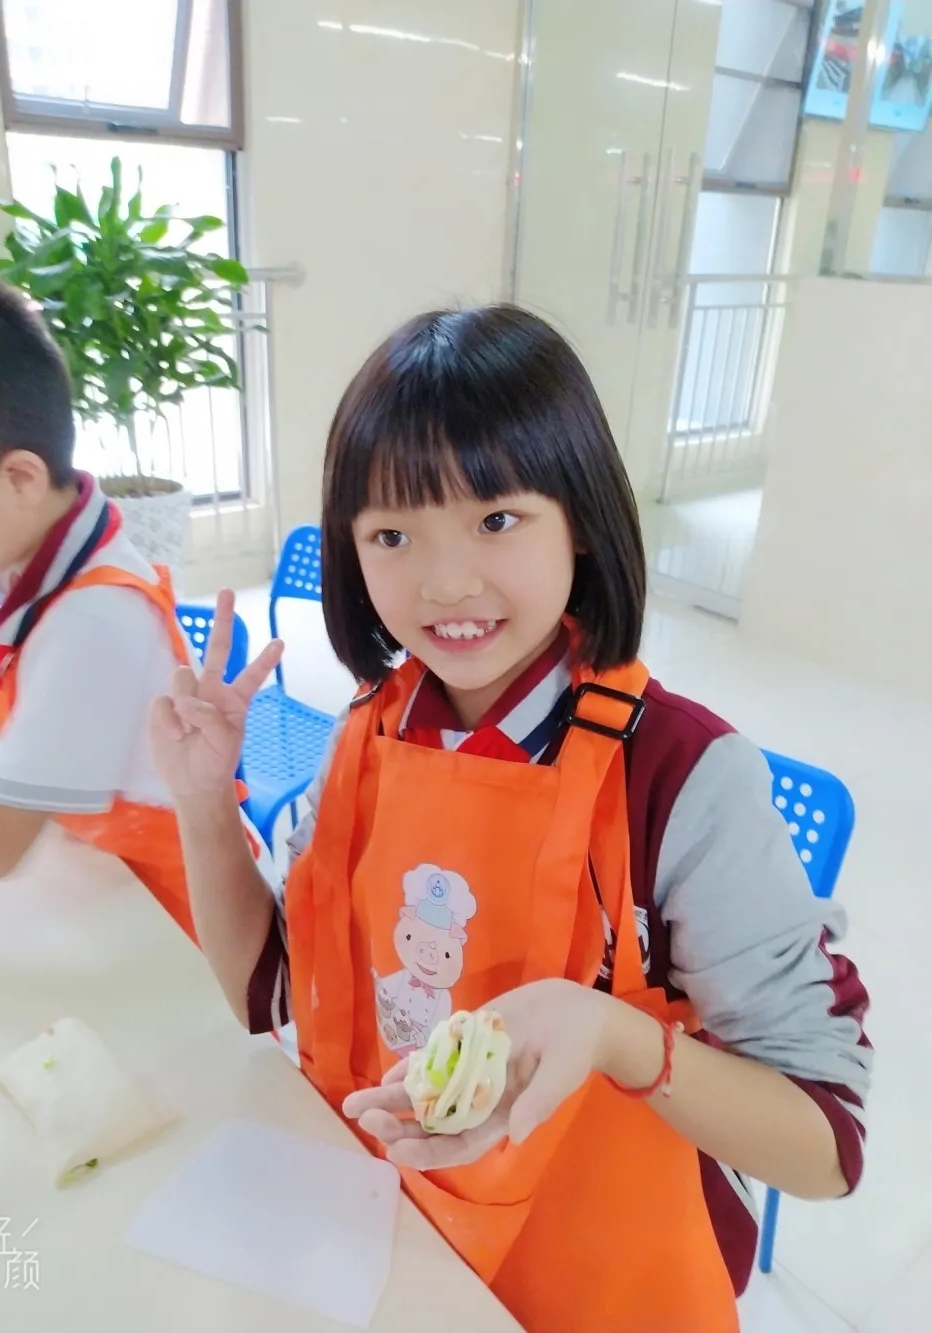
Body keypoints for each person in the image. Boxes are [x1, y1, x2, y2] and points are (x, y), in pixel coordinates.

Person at [150, 306, 871, 1333]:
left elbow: (826, 1145)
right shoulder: (369, 734)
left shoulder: (679, 775)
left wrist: (618, 1036)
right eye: (392, 535)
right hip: (393, 1255)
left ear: (581, 517)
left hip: (595, 1286)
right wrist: (202, 800)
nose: (446, 583)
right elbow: (270, 992)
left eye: (496, 520)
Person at [0, 267, 255, 938]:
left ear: (19, 478)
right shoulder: (41, 544)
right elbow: (0, 649)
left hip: (180, 904)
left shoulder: (94, 619)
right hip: (103, 857)